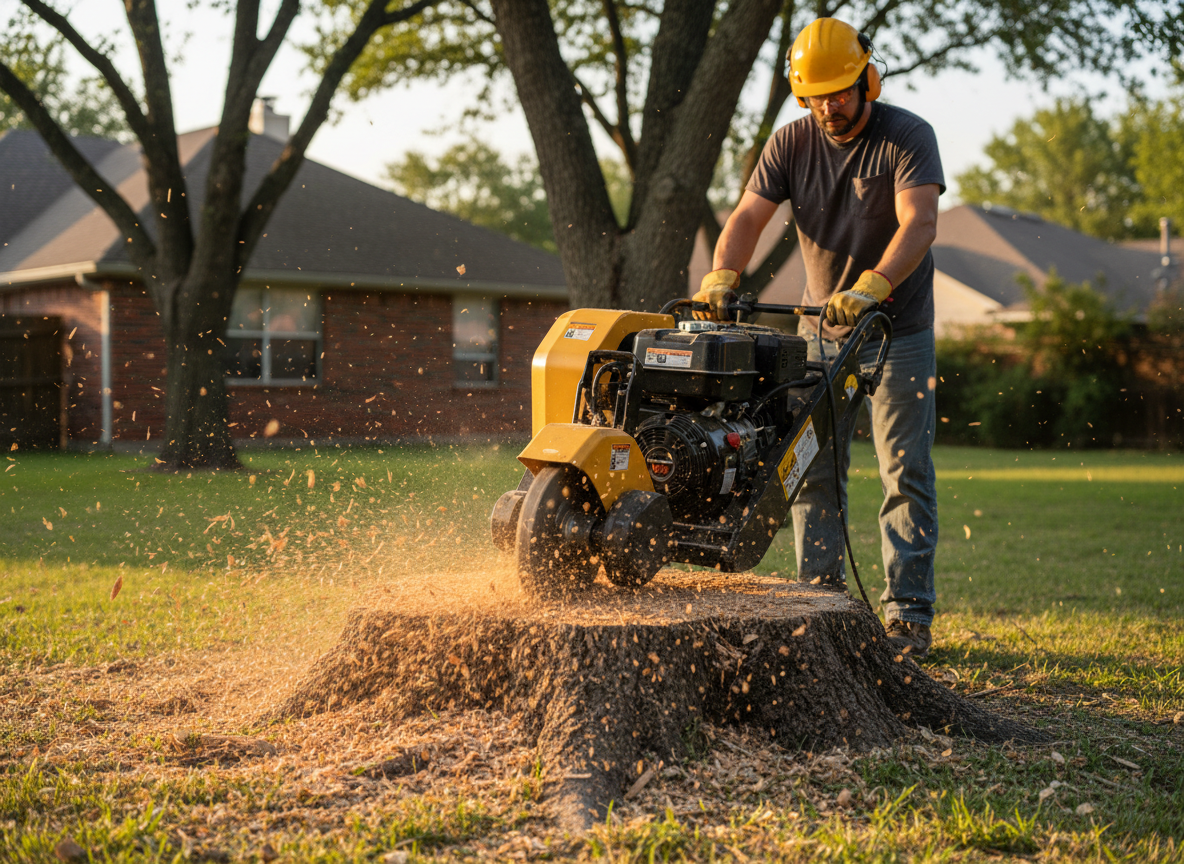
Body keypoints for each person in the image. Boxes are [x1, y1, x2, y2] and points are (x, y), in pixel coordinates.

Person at [693, 17, 944, 659]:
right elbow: (748, 216)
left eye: (839, 91)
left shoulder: (908, 135)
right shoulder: (790, 144)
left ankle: (908, 617)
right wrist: (723, 270)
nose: (828, 106)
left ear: (867, 79)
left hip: (897, 329)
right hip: (820, 335)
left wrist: (875, 284)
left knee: (905, 471)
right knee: (810, 469)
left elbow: (919, 222)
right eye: (816, 95)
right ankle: (821, 602)